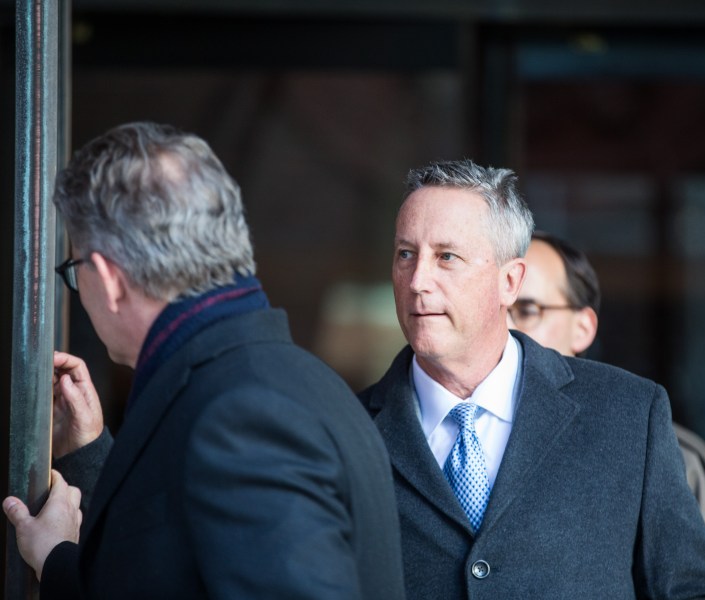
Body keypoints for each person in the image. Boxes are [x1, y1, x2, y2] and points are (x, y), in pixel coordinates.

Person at [2, 122, 405, 600]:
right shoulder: (285, 381)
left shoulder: (243, 415)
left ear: (109, 279)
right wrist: (60, 557)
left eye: (75, 271)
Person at [359, 159, 705, 598]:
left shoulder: (628, 415)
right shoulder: (348, 430)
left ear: (510, 281)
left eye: (446, 257)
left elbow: (692, 591)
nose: (418, 280)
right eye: (406, 254)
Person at [510, 230, 705, 600]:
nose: (507, 328)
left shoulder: (661, 454)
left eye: (528, 310)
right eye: (498, 309)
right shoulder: (464, 438)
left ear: (584, 327)